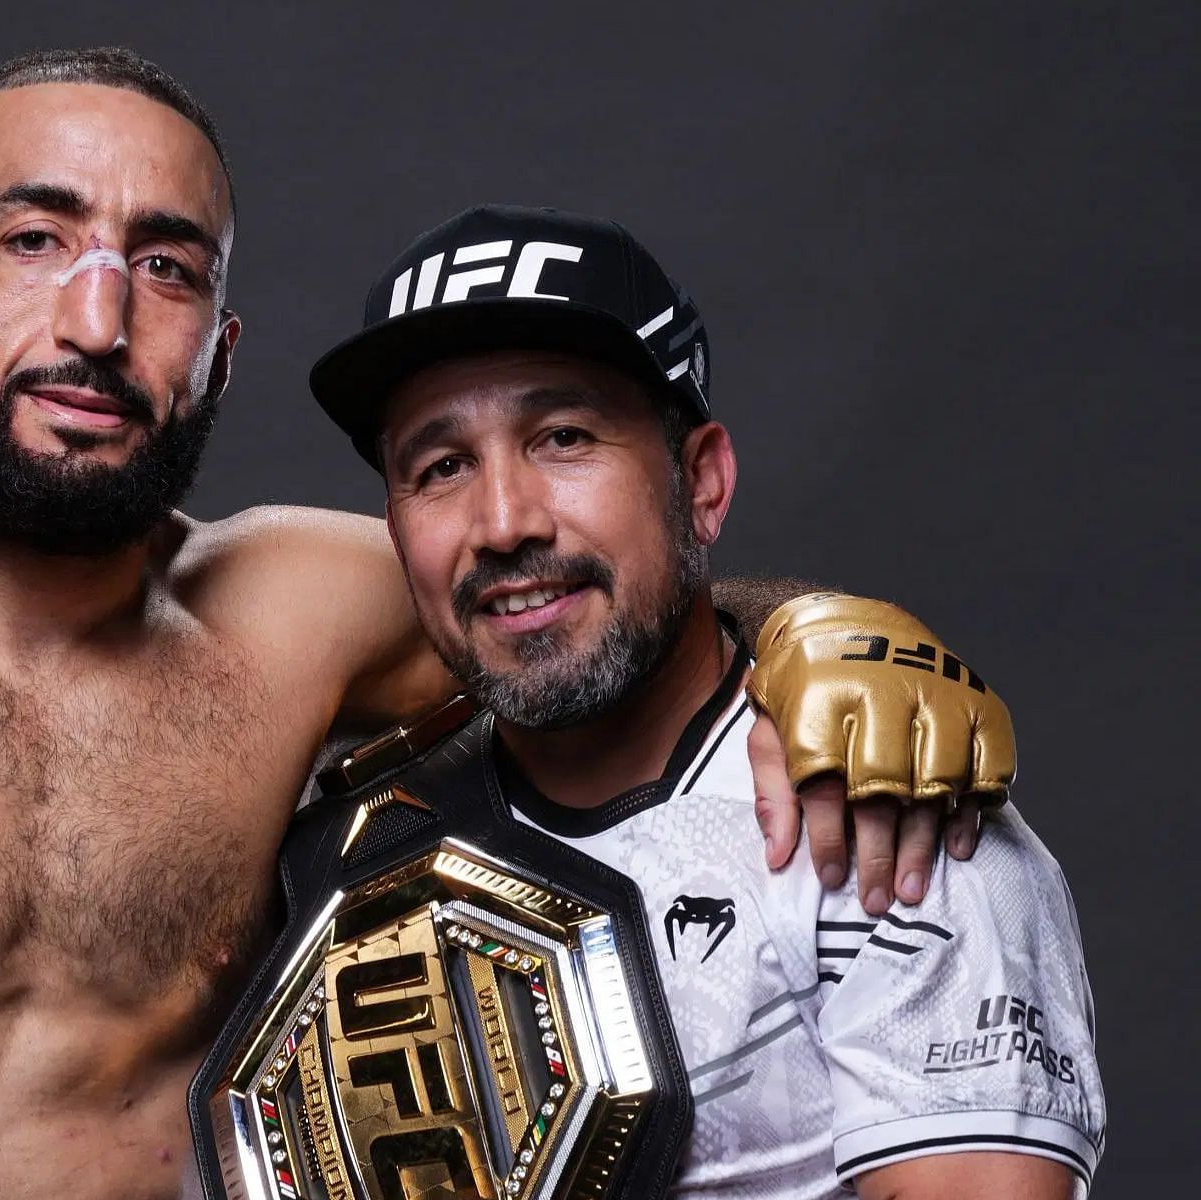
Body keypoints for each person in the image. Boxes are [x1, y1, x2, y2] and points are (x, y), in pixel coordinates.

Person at [0, 51, 1007, 1200]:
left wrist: (834, 631)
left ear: (218, 342)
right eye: (35, 239)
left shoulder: (303, 616)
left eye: (166, 266)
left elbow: (582, 601)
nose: (96, 315)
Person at [271, 202, 1102, 1197]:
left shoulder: (881, 827)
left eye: (564, 437)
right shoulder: (353, 855)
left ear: (701, 483)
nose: (501, 522)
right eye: (441, 467)